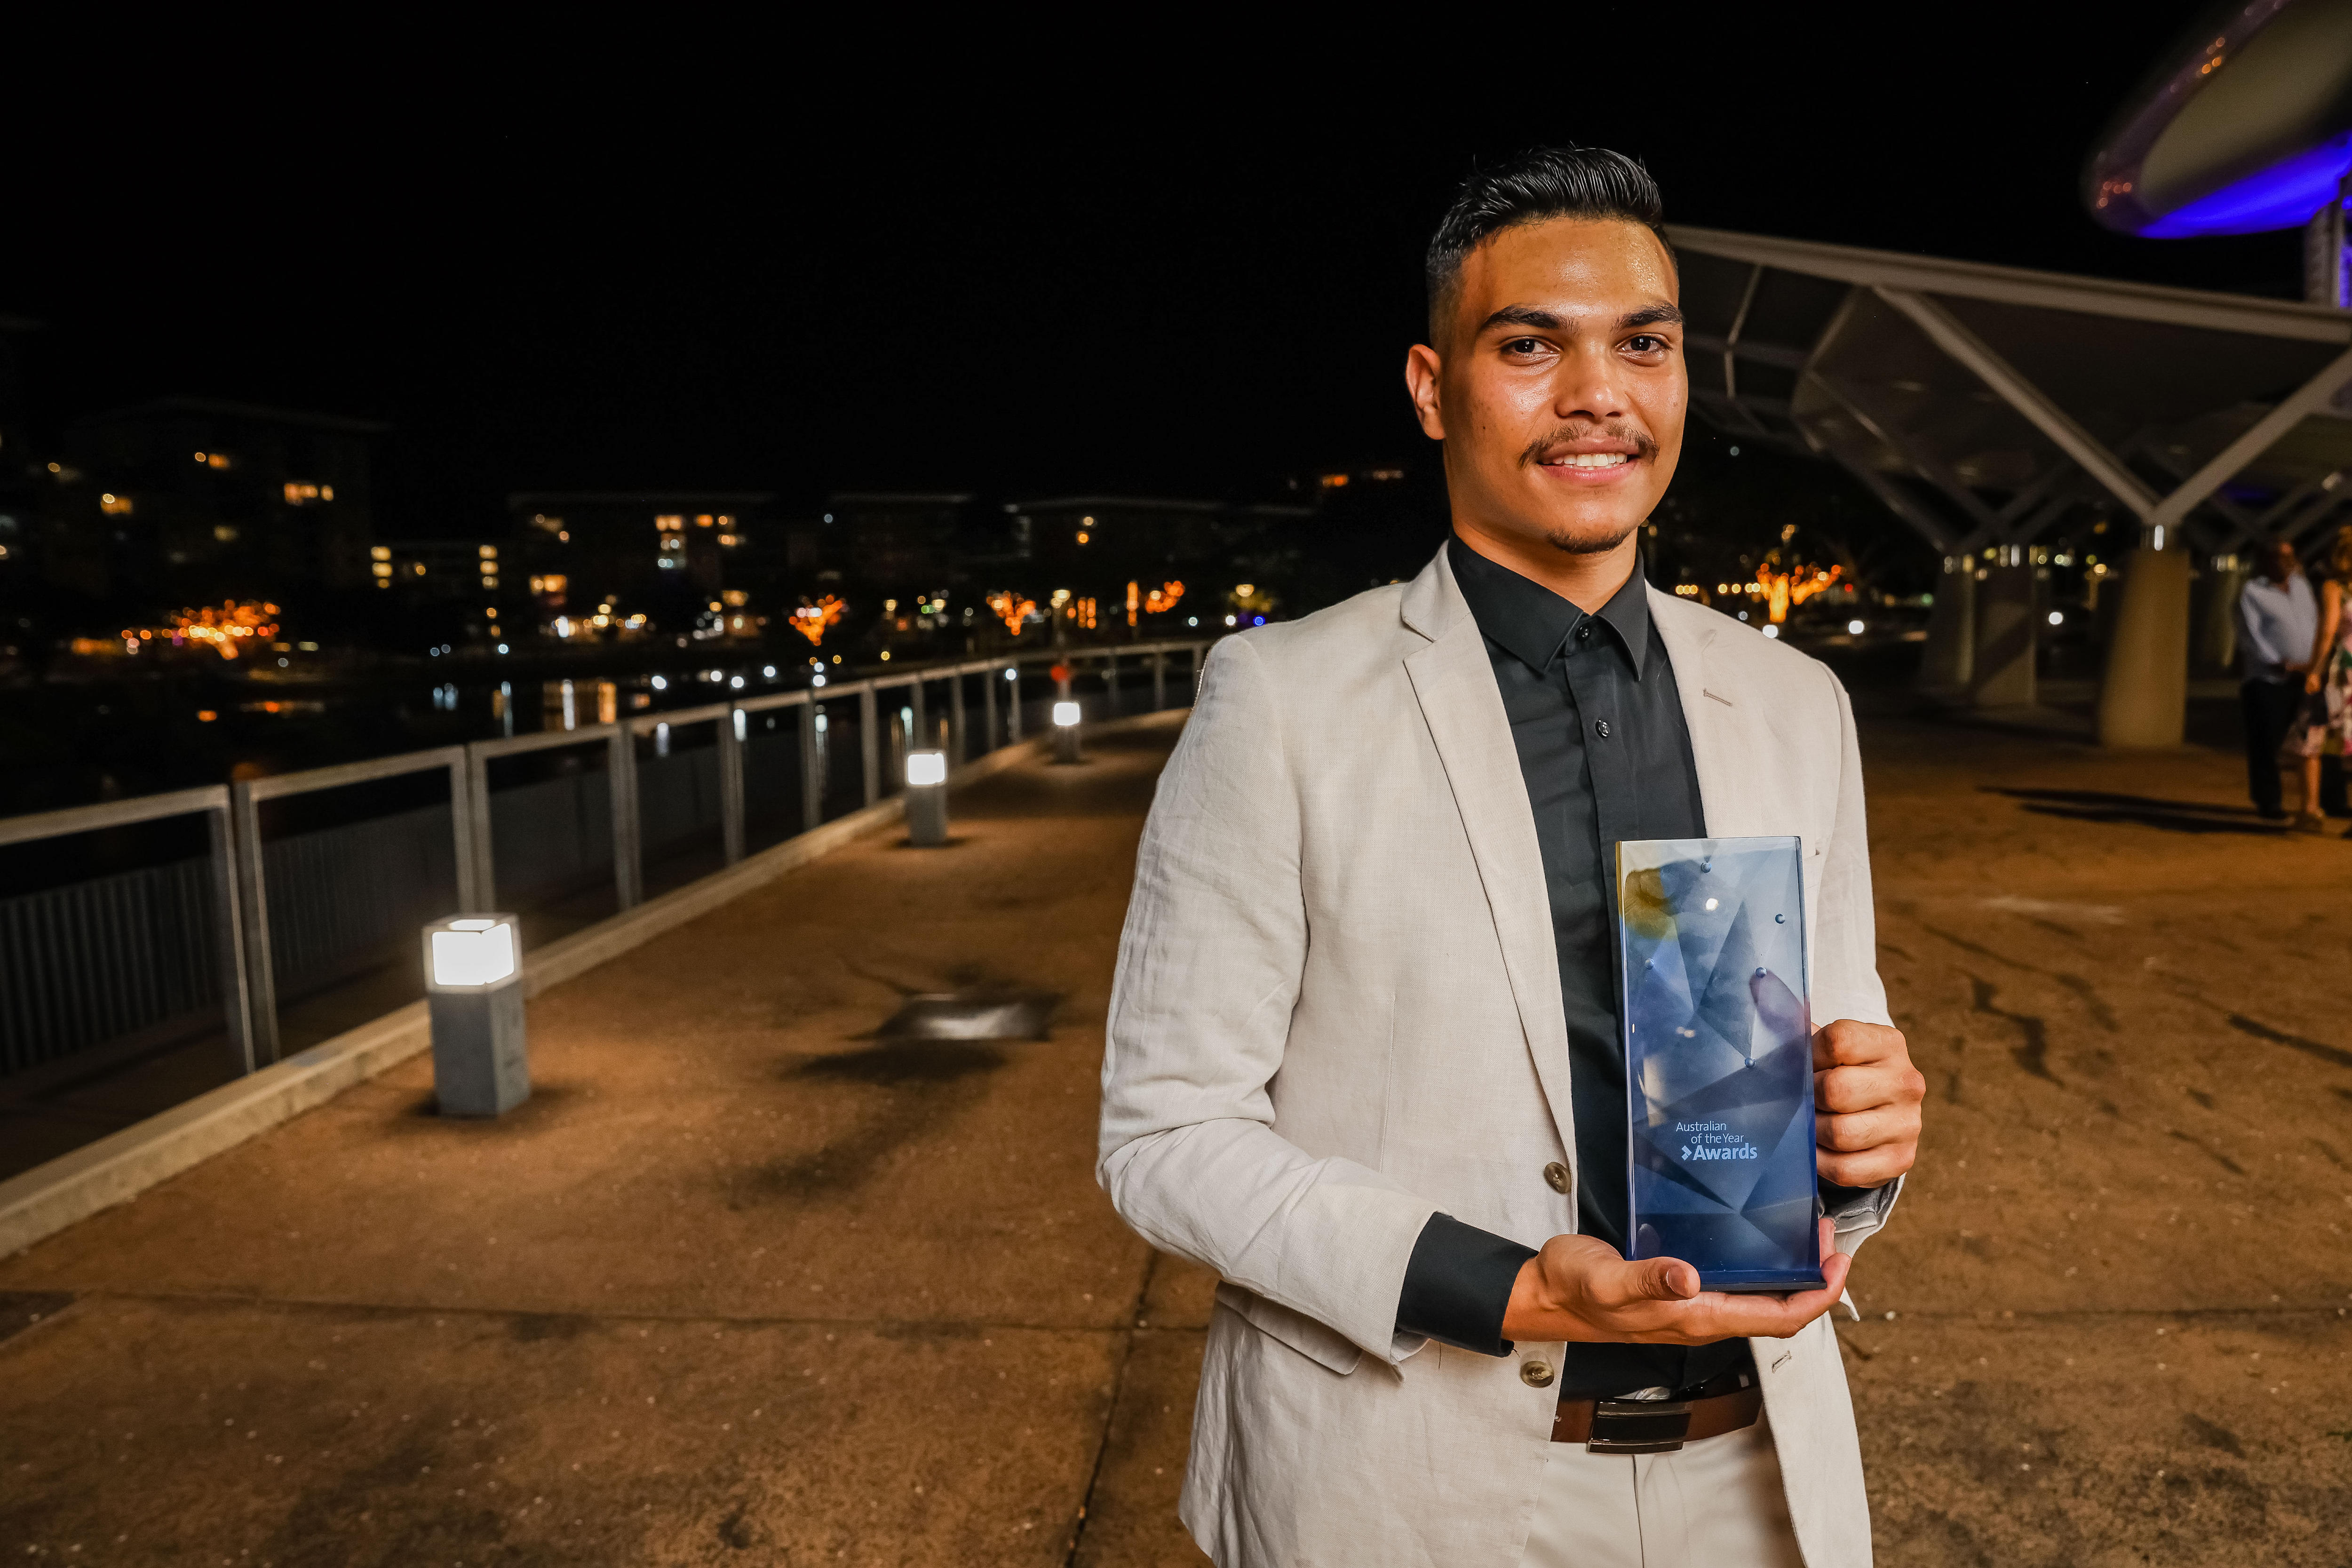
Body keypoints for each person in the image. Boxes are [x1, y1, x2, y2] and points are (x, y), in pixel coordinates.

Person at [1098, 147, 1923, 1568]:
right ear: (1433, 389)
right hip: (1409, 1487)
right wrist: (1512, 1288)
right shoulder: (1283, 701)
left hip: (1756, 1475)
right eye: (1531, 345)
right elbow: (1166, 1134)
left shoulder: (1795, 702)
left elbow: (1827, 1062)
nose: (1598, 392)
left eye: (1643, 345)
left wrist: (1862, 1142)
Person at [2235, 538, 2318, 821]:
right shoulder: (2252, 592)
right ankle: (2269, 801)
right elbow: (2250, 634)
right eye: (2279, 557)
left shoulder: (2302, 587)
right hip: (2268, 680)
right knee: (2266, 743)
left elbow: (2314, 623)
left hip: (2305, 677)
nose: (2287, 563)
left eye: (2290, 557)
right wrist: (2277, 662)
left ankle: (2325, 798)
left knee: (2311, 740)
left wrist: (2314, 662)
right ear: (2265, 561)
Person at [2285, 525, 2352, 834]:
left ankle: (2310, 811)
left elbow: (2327, 633)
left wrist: (2313, 671)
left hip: (2337, 675)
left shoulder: (2335, 588)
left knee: (2310, 740)